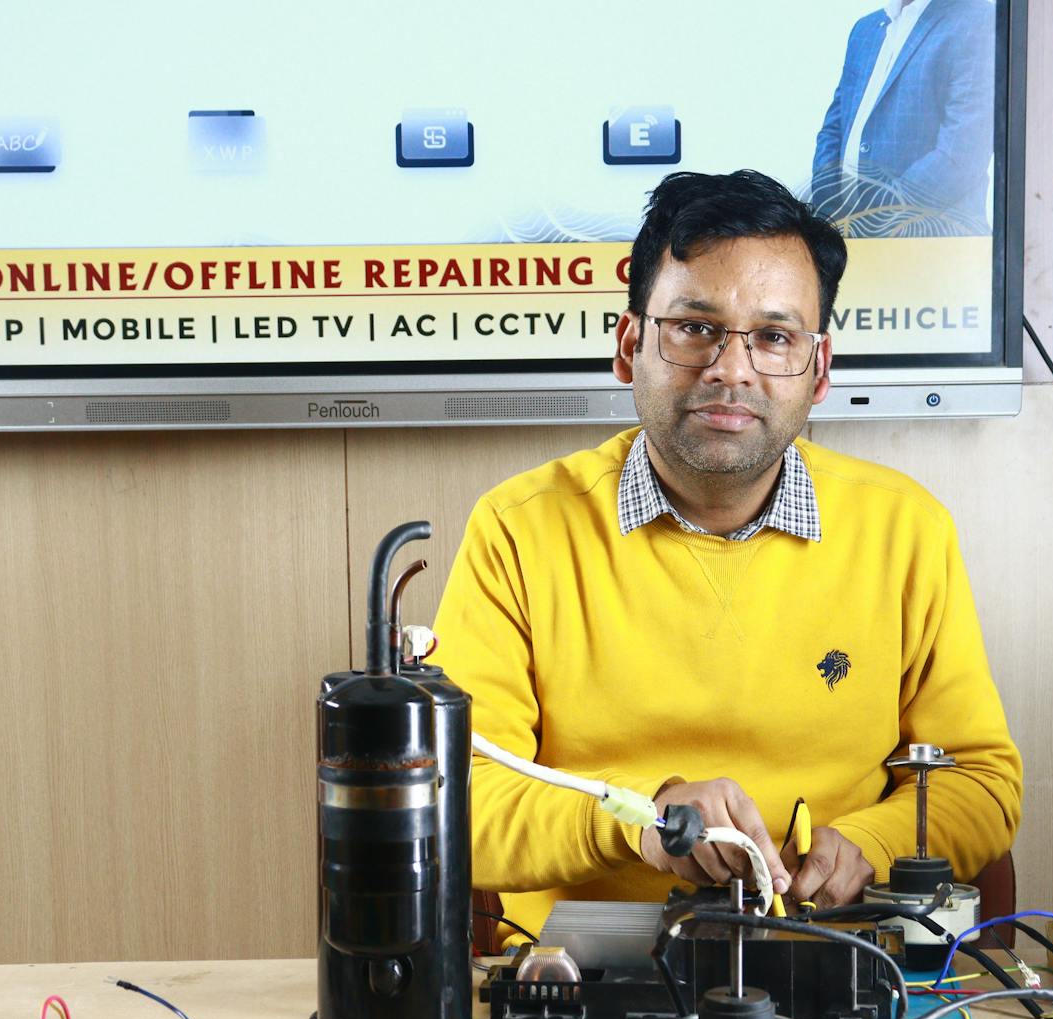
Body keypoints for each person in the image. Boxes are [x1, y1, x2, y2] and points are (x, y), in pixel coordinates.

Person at [431, 170, 1020, 935]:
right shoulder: (518, 530)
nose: (731, 369)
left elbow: (979, 778)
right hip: (581, 990)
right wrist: (644, 820)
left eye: (775, 337)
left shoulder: (906, 530)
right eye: (694, 327)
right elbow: (456, 795)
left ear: (820, 371)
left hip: (836, 967)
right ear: (630, 345)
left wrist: (868, 844)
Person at [810, 0, 995, 234]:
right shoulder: (865, 29)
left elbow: (961, 153)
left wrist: (874, 220)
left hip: (936, 245)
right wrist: (831, 216)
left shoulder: (978, 20)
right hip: (849, 242)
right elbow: (833, 130)